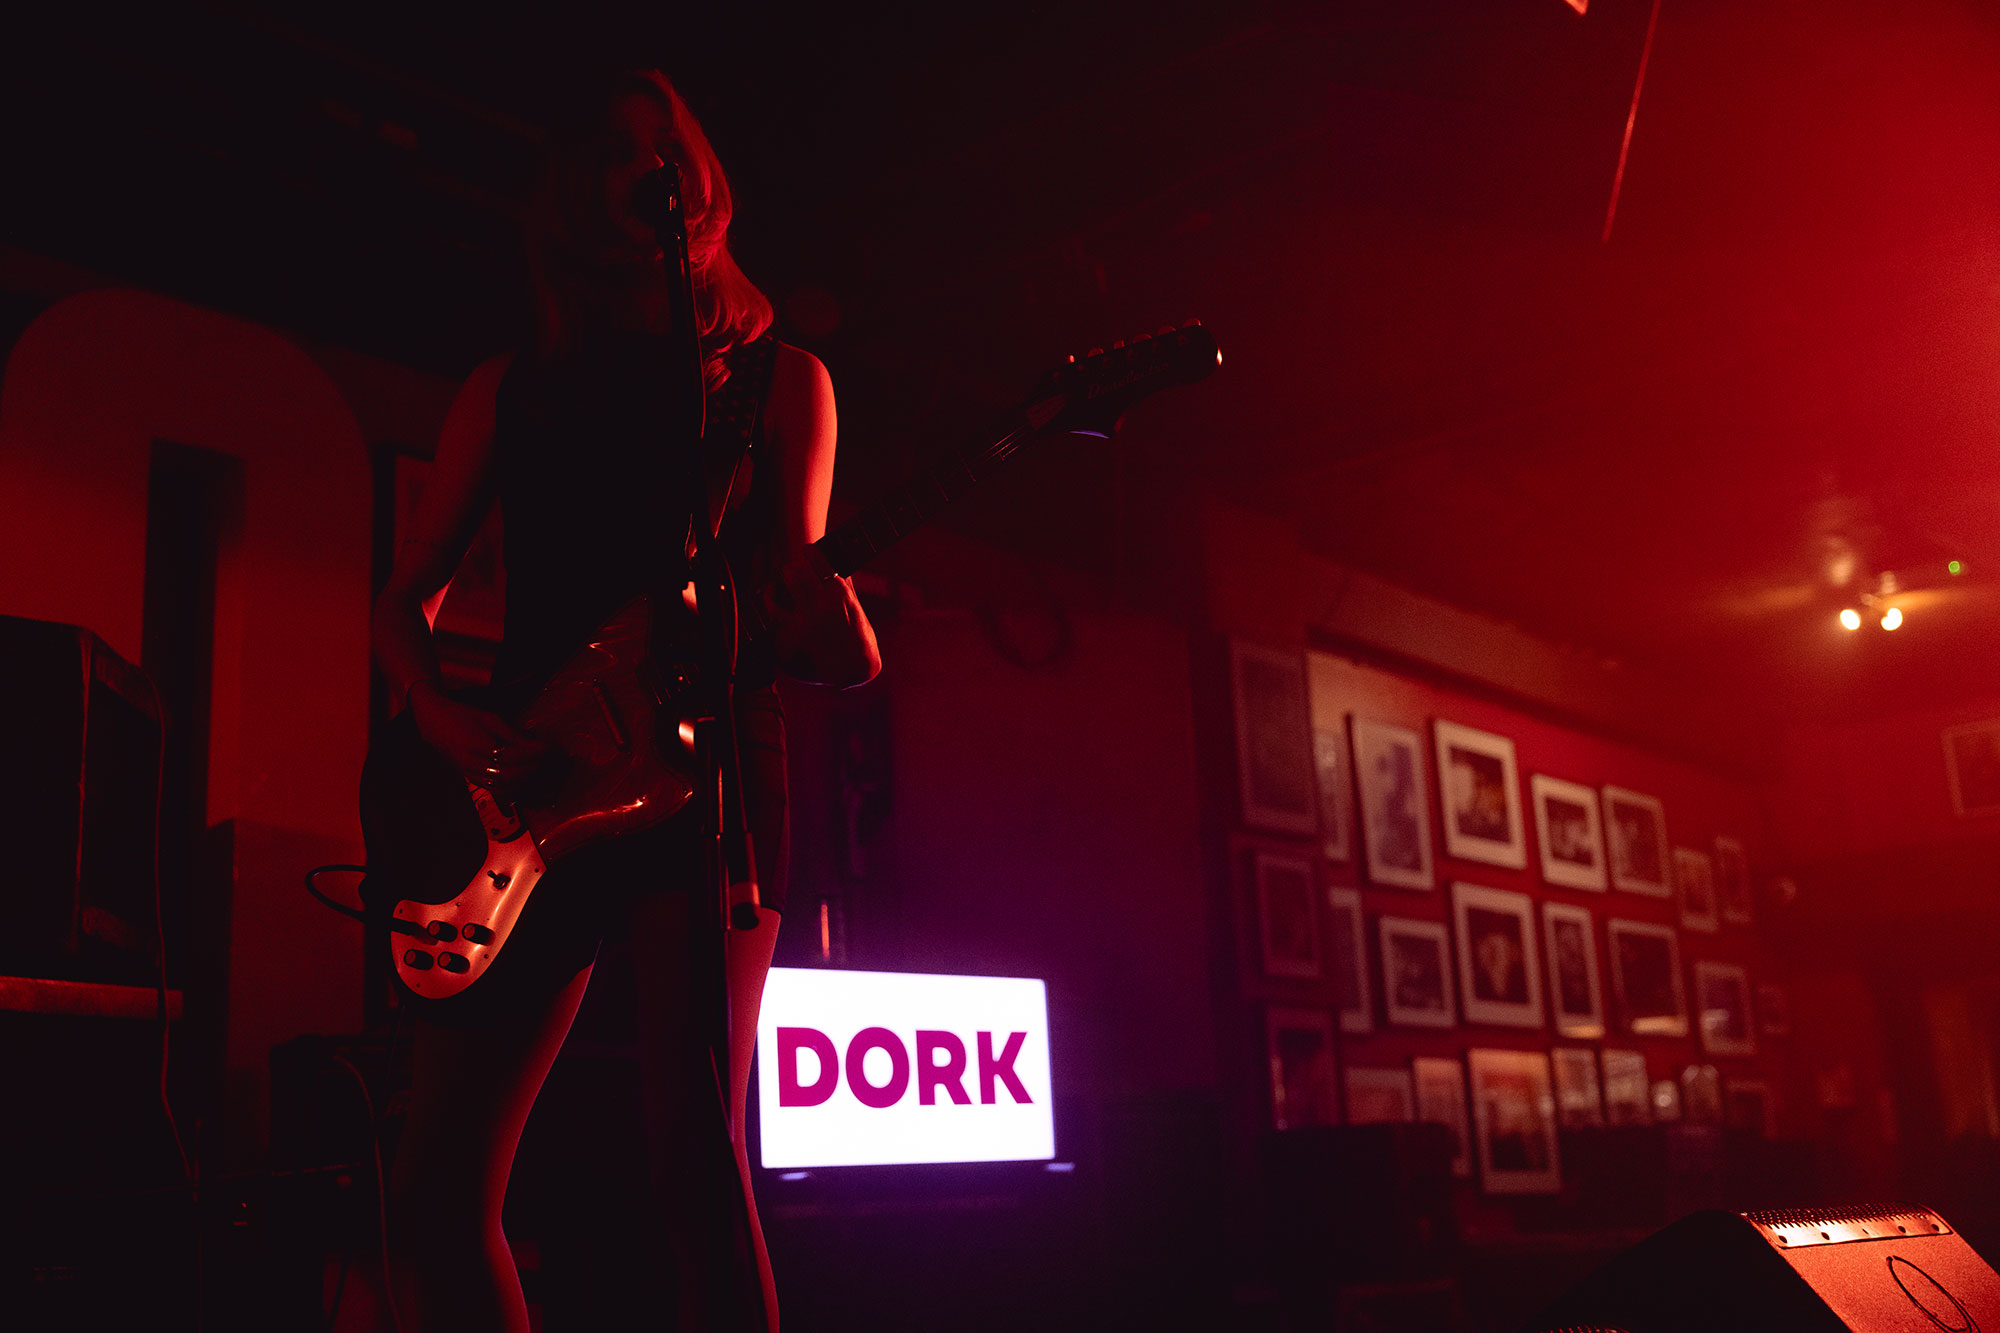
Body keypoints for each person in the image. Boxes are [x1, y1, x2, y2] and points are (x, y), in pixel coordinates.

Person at [366, 66, 879, 1333]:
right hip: (529, 777)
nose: (651, 168)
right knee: (434, 1192)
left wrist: (840, 626)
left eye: (667, 143)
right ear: (572, 195)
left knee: (696, 1166)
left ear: (702, 170)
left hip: (708, 775)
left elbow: (811, 618)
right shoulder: (510, 388)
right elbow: (404, 597)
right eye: (615, 152)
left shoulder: (783, 383)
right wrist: (433, 708)